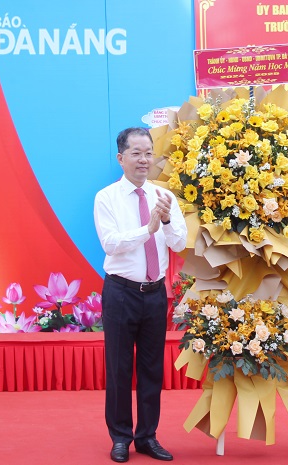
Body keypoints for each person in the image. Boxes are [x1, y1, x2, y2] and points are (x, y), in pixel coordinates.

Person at [94, 127, 187, 463]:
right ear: (121, 158)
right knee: (119, 368)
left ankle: (147, 436)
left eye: (148, 152)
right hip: (120, 291)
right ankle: (121, 437)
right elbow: (111, 244)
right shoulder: (106, 198)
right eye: (136, 153)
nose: (144, 159)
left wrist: (162, 223)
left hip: (153, 293)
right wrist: (146, 229)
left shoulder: (165, 197)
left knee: (151, 369)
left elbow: (179, 243)